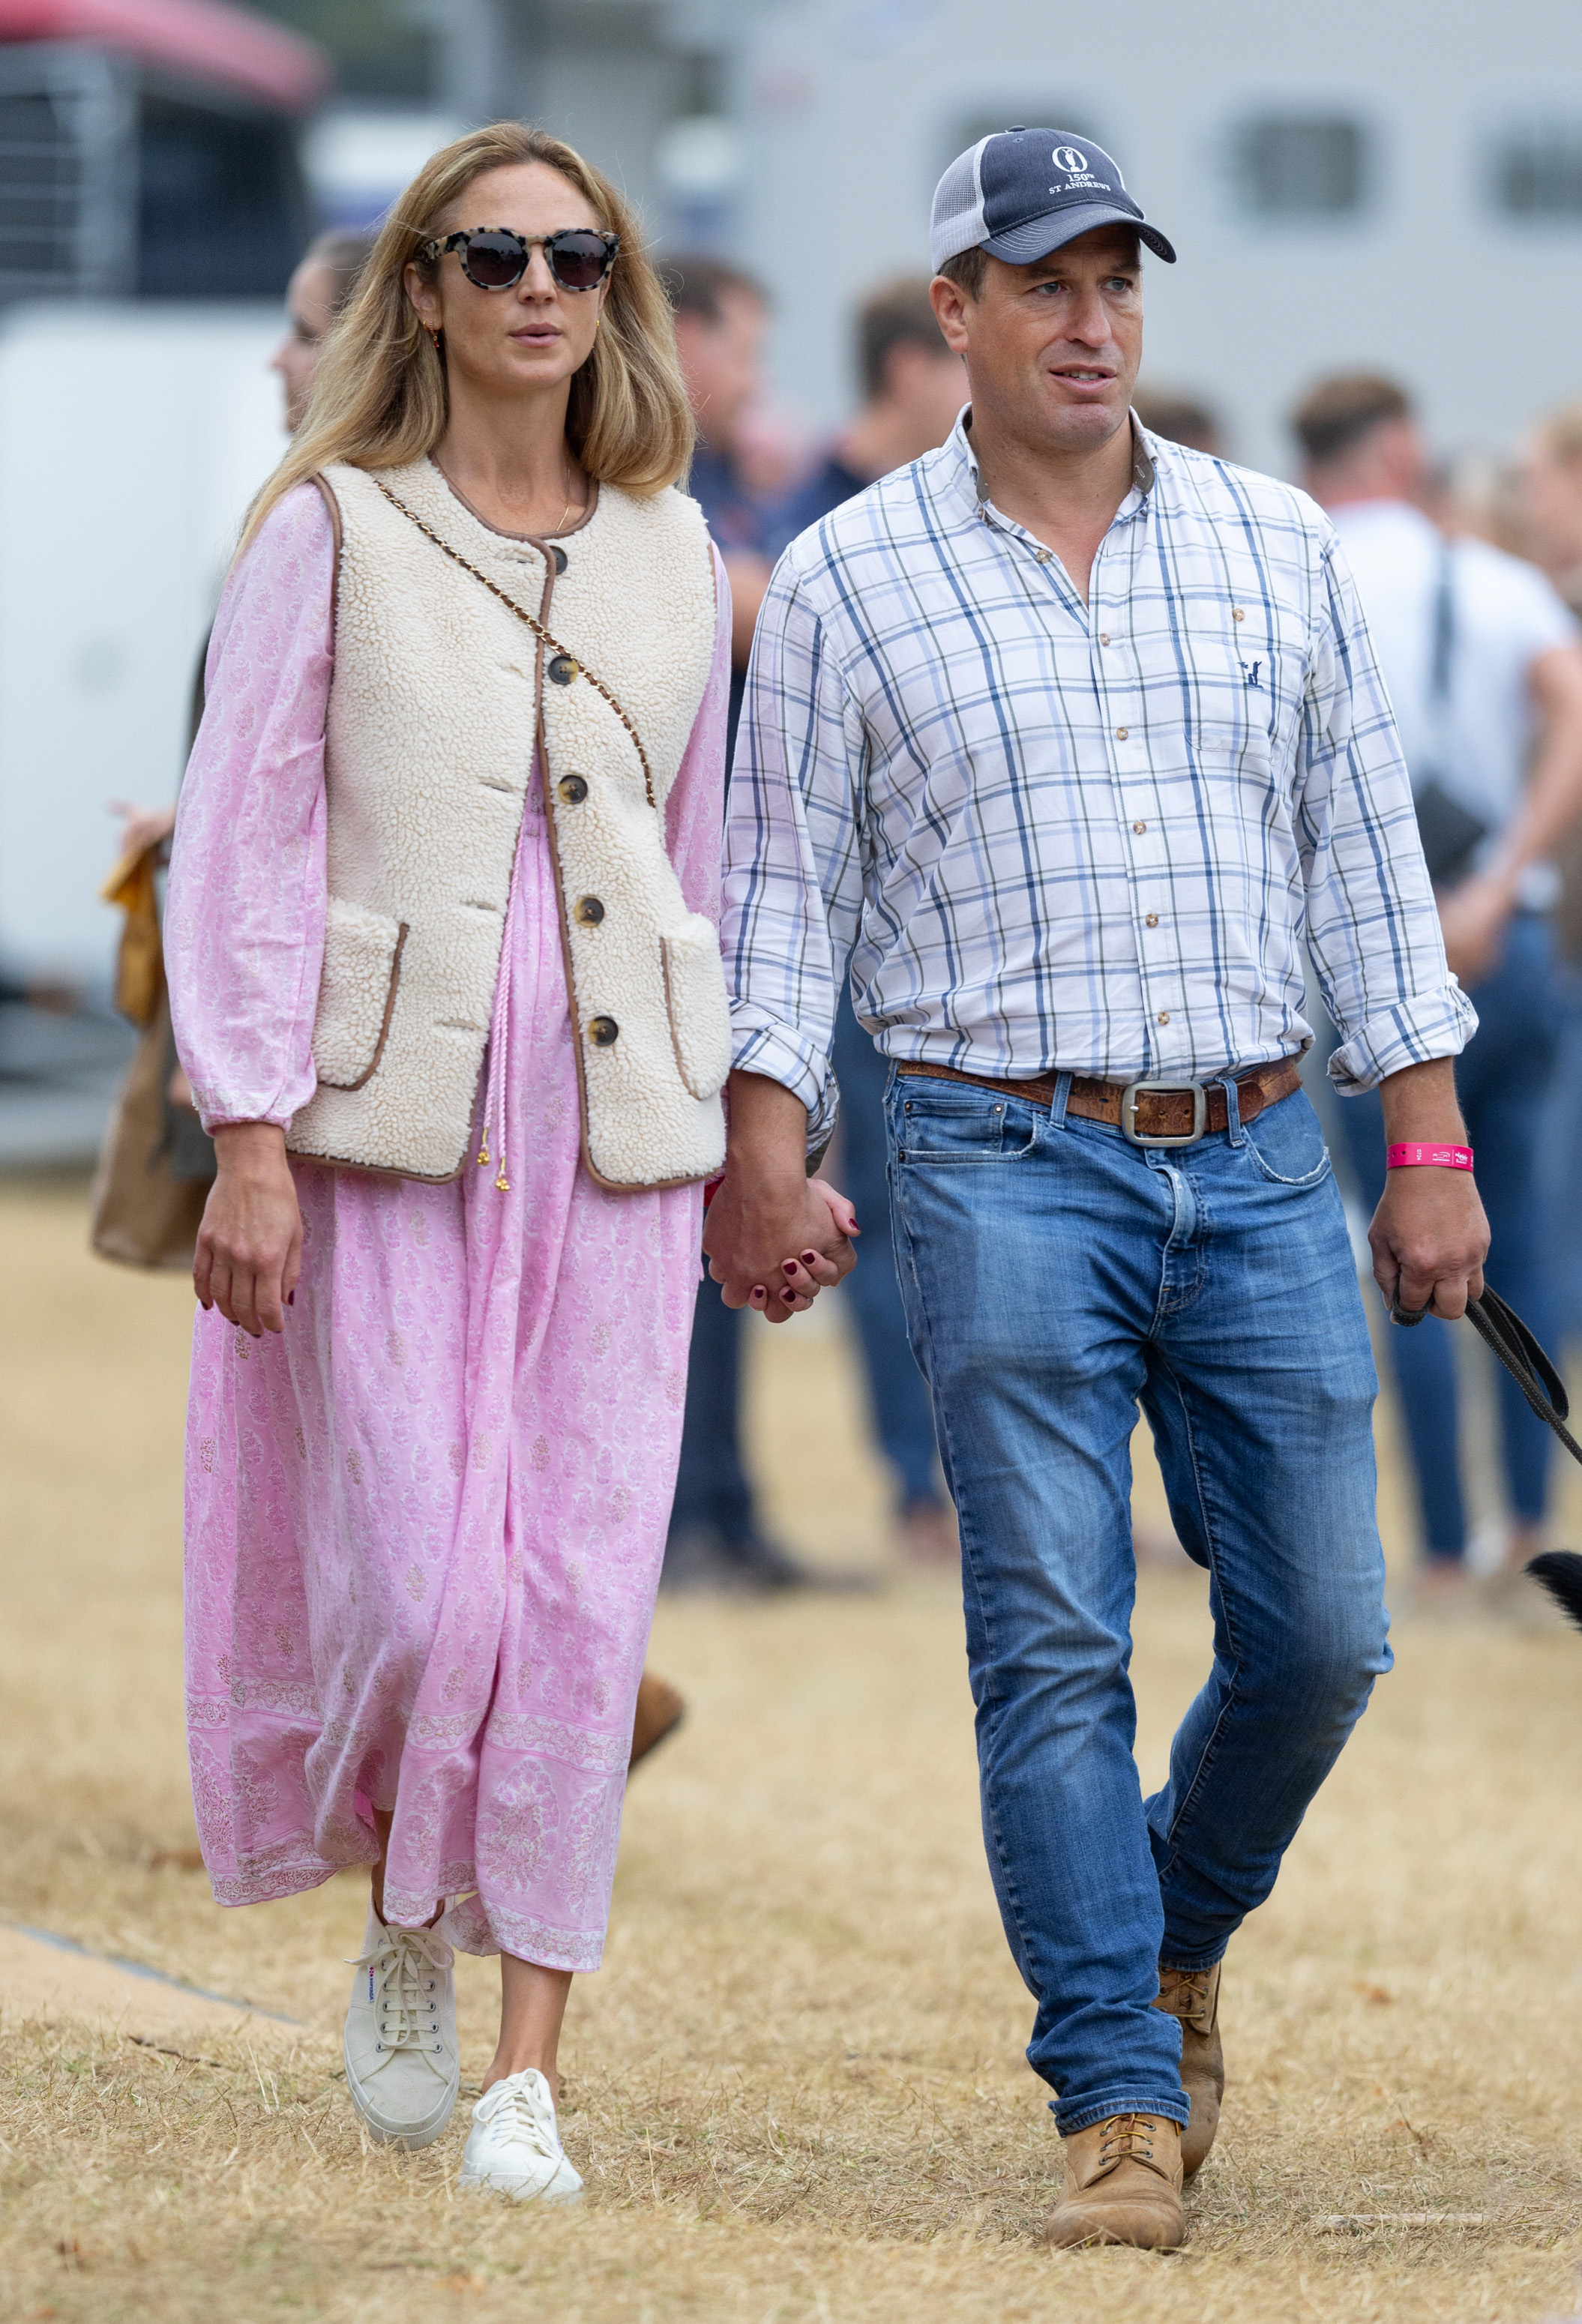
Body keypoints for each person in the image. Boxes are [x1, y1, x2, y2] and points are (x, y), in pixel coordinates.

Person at [707, 126, 1487, 2249]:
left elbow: (1361, 869)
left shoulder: (1270, 543)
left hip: (1253, 1151)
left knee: (1321, 1628)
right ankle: (1113, 2101)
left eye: (1113, 282)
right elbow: (783, 897)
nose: (1087, 321)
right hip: (986, 1150)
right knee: (1048, 1634)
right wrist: (761, 1142)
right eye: (1038, 283)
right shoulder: (852, 575)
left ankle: (1164, 1923)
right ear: (948, 312)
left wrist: (1419, 1141)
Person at [166, 121, 852, 2203]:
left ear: (615, 288)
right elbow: (245, 842)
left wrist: (761, 1138)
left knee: (569, 1596)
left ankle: (528, 2064)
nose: (535, 287)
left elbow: (725, 863)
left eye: (574, 254)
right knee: (429, 1585)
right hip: (387, 1124)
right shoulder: (329, 529)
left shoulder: (673, 546)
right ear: (429, 290)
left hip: (621, 1138)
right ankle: (400, 1910)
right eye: (490, 255)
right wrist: (250, 1134)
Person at [1296, 374, 1582, 1592]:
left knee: (1404, 1257)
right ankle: (1529, 1528)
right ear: (1402, 446)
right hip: (1501, 938)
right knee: (1523, 1239)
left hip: (1361, 960)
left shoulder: (1294, 565)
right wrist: (1506, 869)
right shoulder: (1497, 579)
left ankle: (1436, 1547)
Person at [764, 277, 970, 1562]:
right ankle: (917, 1492)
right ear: (911, 364)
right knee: (890, 1217)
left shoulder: (966, 510)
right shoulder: (806, 521)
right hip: (844, 938)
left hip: (959, 933)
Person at [658, 257, 831, 1589]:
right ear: (674, 337)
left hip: (717, 924)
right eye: (744, 353)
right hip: (651, 926)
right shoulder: (646, 487)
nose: (754, 384)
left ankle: (718, 1507)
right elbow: (733, 605)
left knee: (721, 1218)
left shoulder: (719, 484)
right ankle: (678, 1518)